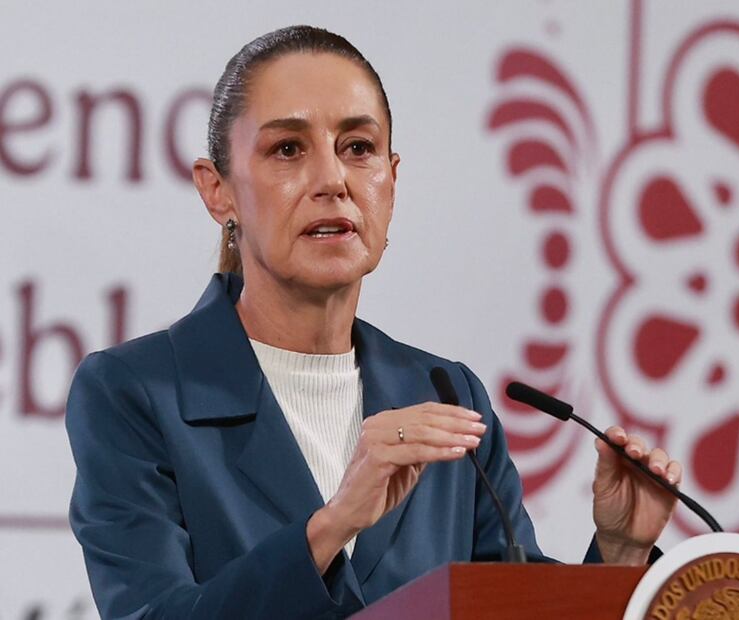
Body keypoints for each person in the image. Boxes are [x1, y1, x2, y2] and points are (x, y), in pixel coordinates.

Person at [65, 25, 683, 619]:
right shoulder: (135, 393)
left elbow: (509, 602)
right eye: (288, 149)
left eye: (358, 149)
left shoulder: (446, 393)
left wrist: (620, 555)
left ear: (391, 181)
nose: (332, 180)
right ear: (217, 190)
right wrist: (331, 528)